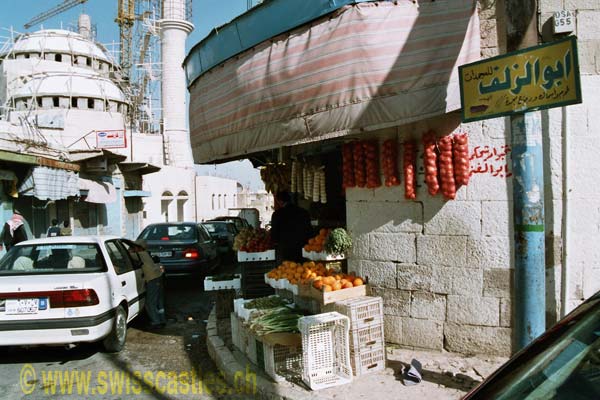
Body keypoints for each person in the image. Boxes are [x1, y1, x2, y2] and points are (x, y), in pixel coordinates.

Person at [131, 239, 166, 329]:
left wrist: (129, 250)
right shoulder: (146, 253)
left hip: (152, 280)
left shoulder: (140, 254)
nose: (133, 248)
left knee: (150, 302)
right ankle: (162, 320)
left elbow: (126, 255)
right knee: (159, 301)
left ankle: (156, 322)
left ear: (139, 248)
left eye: (135, 247)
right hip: (158, 277)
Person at [270, 191, 313, 263]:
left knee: (288, 270)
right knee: (301, 270)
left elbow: (274, 234)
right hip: (302, 248)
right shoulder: (303, 212)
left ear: (279, 201)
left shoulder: (277, 214)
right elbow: (309, 231)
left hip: (285, 249)